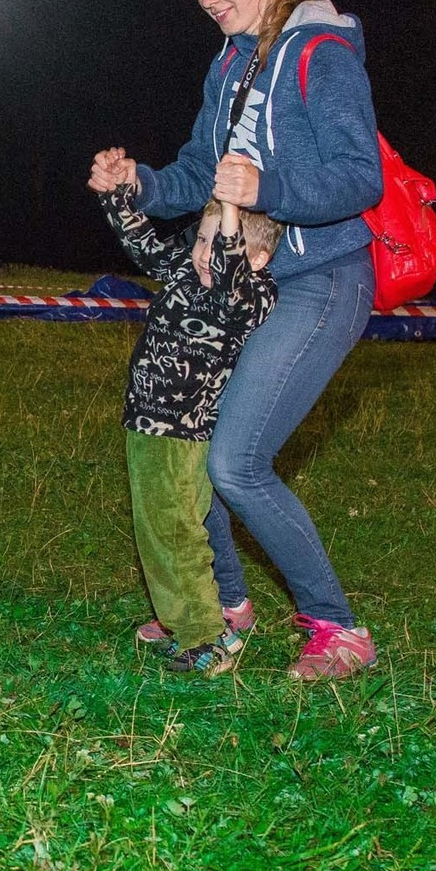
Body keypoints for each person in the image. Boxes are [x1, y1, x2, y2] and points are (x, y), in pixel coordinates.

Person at [91, 0, 384, 680]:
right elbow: (197, 170)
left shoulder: (323, 55)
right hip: (241, 291)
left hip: (323, 281)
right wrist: (138, 183)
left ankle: (339, 627)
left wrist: (267, 185)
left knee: (236, 462)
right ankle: (228, 602)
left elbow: (361, 178)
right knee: (190, 442)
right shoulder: (229, 64)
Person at [94, 182, 281, 672]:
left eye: (217, 244)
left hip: (181, 432)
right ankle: (192, 622)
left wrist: (230, 227)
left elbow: (231, 284)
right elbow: (144, 243)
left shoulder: (254, 293)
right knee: (165, 530)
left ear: (252, 256)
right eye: (201, 239)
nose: (203, 253)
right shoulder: (183, 270)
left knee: (172, 534)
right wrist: (115, 194)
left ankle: (205, 636)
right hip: (145, 423)